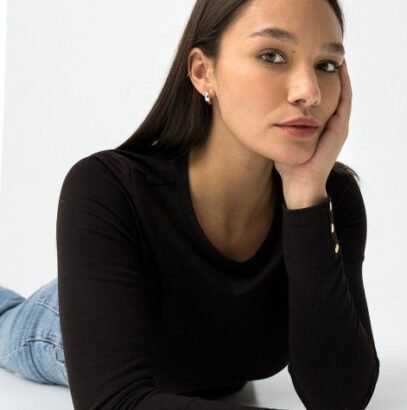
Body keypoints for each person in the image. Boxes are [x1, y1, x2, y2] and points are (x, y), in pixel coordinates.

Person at [0, 0, 380, 409]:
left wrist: (306, 197)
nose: (309, 92)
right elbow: (113, 401)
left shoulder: (328, 198)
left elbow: (340, 398)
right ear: (202, 72)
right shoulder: (109, 189)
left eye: (326, 64)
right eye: (271, 56)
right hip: (64, 322)